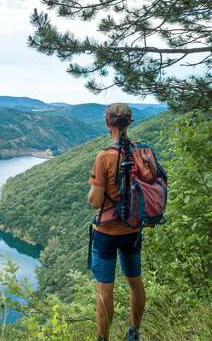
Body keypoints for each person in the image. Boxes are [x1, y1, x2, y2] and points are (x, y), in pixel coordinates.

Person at [88, 103, 145, 341]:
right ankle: (133, 333)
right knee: (135, 282)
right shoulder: (142, 154)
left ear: (107, 123)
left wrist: (92, 191)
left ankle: (103, 338)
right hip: (132, 229)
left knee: (105, 288)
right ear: (130, 123)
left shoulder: (104, 157)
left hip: (106, 233)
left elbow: (95, 201)